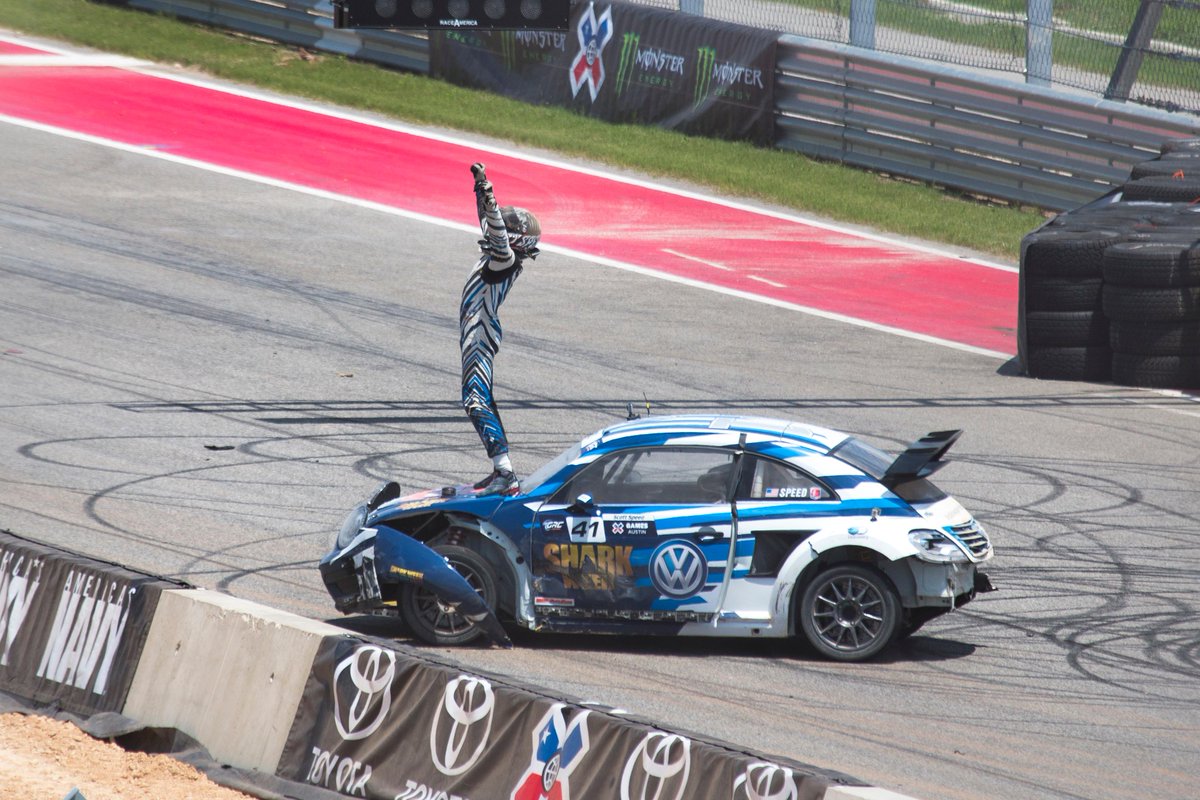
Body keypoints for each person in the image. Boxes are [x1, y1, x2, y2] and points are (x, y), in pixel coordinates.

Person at [459, 162, 541, 496]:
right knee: (483, 398)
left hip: (479, 335)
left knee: (475, 401)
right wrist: (480, 186)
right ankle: (501, 470)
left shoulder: (504, 260)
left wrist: (489, 193)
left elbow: (494, 229)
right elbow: (488, 223)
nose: (500, 222)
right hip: (476, 333)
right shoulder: (500, 252)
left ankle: (504, 473)